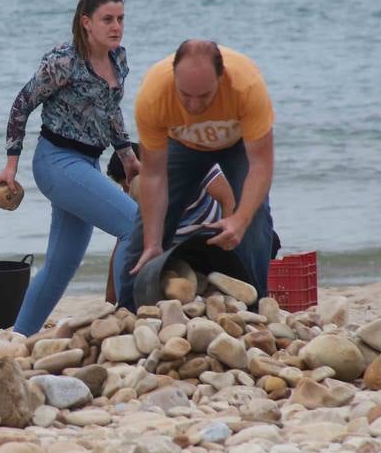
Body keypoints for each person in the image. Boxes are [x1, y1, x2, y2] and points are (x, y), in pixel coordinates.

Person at [0, 0, 140, 336]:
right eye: (107, 19)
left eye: (120, 19)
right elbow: (21, 105)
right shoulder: (64, 61)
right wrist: (11, 166)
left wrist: (127, 156)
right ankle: (129, 321)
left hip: (86, 164)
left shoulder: (119, 59)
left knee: (61, 265)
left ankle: (19, 338)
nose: (116, 26)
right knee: (134, 225)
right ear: (86, 22)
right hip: (55, 161)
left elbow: (110, 110)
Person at [117, 40, 275, 309]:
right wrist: (154, 242)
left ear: (221, 78)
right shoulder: (154, 94)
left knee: (254, 219)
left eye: (204, 96)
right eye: (185, 94)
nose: (193, 105)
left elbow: (261, 165)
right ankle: (129, 311)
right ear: (174, 76)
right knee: (145, 231)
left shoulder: (247, 86)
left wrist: (239, 219)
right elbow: (154, 176)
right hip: (182, 145)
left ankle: (255, 307)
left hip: (235, 145)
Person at [104, 145, 234, 302]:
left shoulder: (187, 161)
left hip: (206, 240)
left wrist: (226, 246)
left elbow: (227, 198)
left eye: (128, 183)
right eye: (124, 186)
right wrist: (110, 299)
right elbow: (125, 238)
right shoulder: (138, 192)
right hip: (173, 251)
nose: (126, 190)